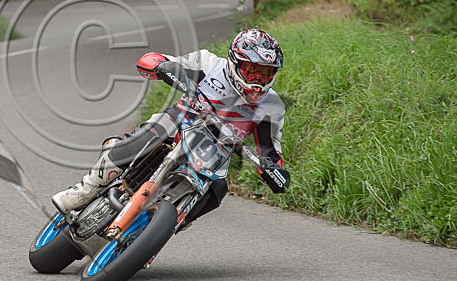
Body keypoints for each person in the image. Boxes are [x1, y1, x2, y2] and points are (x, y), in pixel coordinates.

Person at [52, 29, 291, 226]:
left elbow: (271, 152)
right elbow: (154, 60)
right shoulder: (208, 63)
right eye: (251, 70)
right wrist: (161, 67)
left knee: (219, 188)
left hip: (214, 156)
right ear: (235, 63)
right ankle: (85, 189)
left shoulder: (272, 106)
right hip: (179, 124)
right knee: (159, 128)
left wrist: (273, 170)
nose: (258, 79)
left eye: (265, 73)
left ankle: (166, 227)